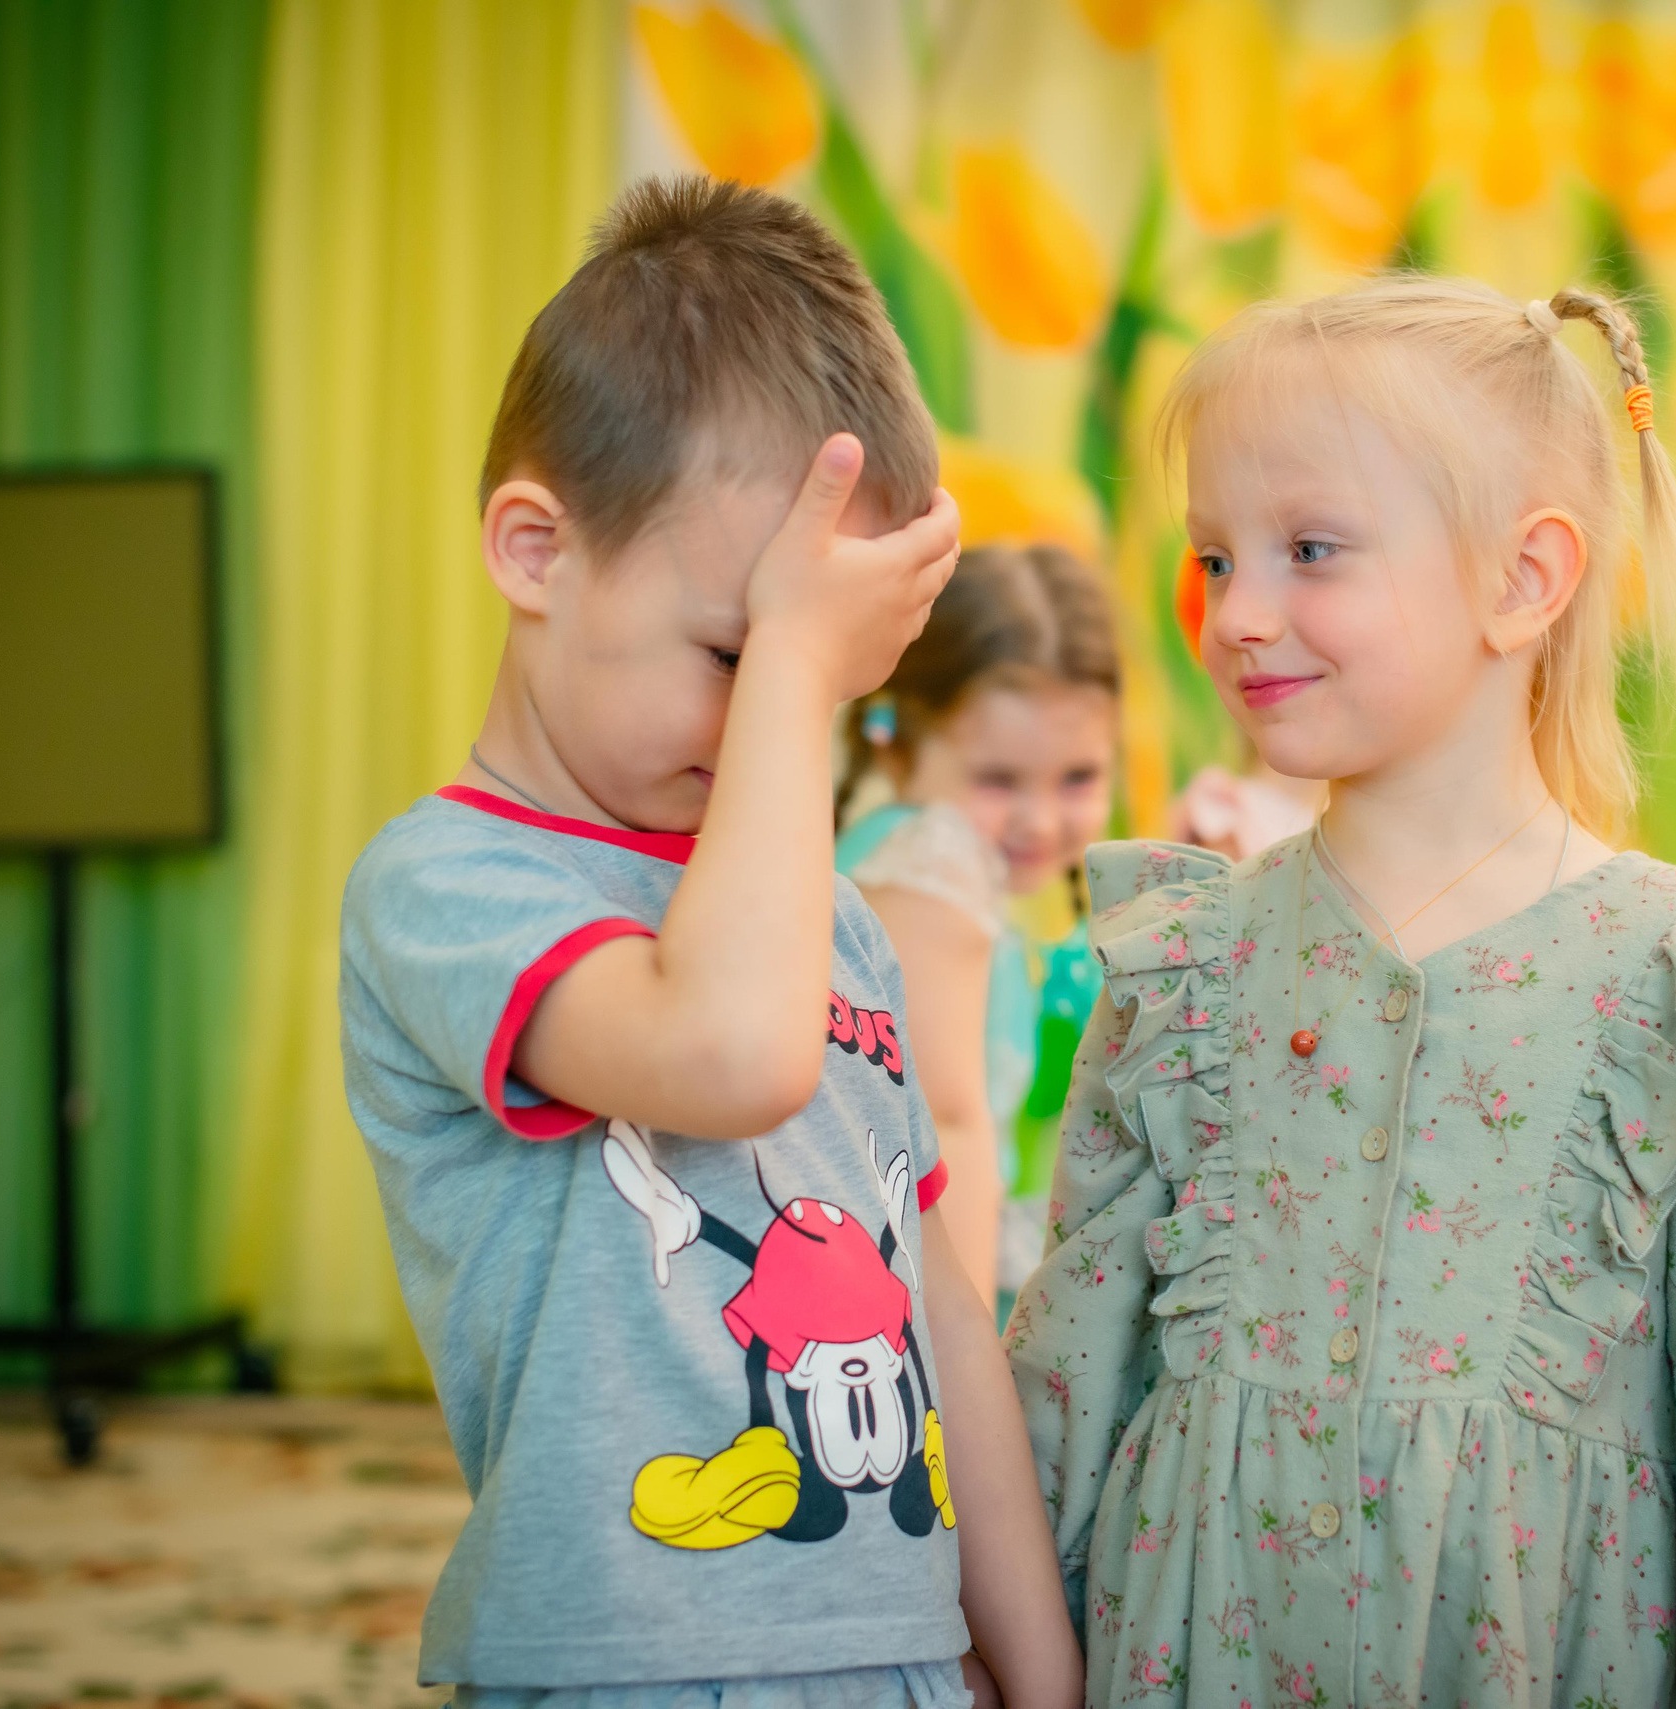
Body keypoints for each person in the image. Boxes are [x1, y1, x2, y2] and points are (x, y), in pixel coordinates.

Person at [1007, 279, 1676, 1706]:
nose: (1243, 613)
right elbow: (1065, 1369)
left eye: (1309, 550)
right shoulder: (1179, 967)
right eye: (1218, 559)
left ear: (1522, 580)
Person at [338, 177, 1077, 1709]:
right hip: (632, 1666)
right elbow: (729, 1054)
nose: (777, 717)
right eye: (739, 653)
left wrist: (1039, 1663)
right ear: (537, 551)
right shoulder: (449, 883)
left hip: (903, 1652)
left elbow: (934, 1298)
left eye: (820, 674)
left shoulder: (834, 913)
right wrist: (808, 675)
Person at [834, 544, 1120, 1315]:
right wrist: (971, 1371)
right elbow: (948, 1128)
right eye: (999, 779)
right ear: (896, 735)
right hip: (941, 1299)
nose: (1040, 818)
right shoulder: (934, 862)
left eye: (1079, 777)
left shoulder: (909, 855)